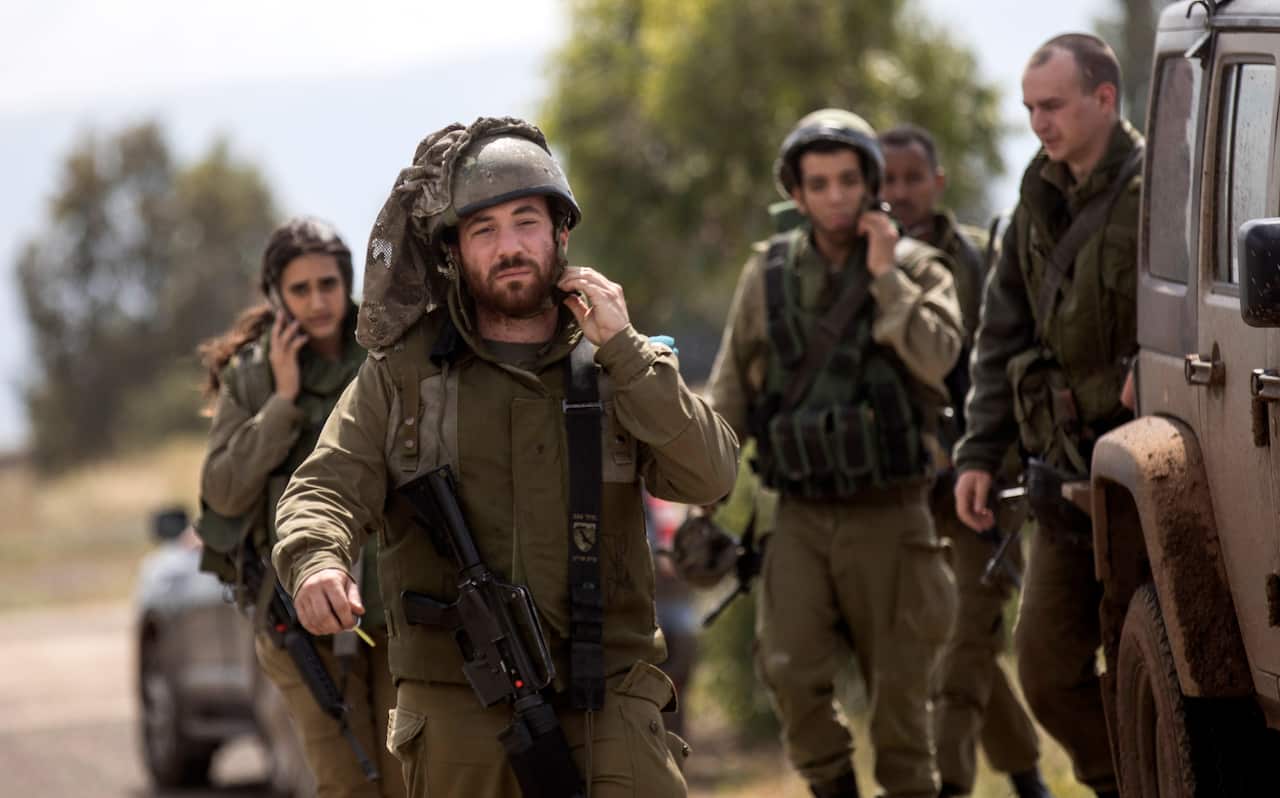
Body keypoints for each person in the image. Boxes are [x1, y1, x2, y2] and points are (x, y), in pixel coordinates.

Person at [270, 116, 738, 798]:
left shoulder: (620, 361)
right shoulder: (404, 375)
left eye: (526, 222)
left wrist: (627, 352)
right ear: (454, 251)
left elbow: (712, 472)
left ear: (561, 233)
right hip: (460, 710)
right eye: (483, 230)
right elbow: (325, 488)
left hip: (609, 695)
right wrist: (317, 562)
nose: (509, 247)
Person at [706, 107, 963, 798]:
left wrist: (885, 277)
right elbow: (729, 392)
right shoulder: (767, 276)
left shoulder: (917, 268)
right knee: (788, 670)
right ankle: (832, 786)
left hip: (892, 513)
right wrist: (704, 504)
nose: (834, 197)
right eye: (817, 184)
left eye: (848, 180)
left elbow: (939, 356)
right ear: (797, 193)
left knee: (903, 700)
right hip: (800, 514)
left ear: (869, 182)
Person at [953, 34, 1143, 798]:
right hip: (1064, 482)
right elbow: (1000, 338)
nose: (1038, 123)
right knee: (1045, 671)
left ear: (1105, 98)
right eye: (1029, 107)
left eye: (1052, 105)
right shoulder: (1031, 203)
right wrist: (977, 454)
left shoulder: (1166, 190)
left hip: (1149, 476)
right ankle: (1127, 781)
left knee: (1157, 660)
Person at [196, 216, 404, 798]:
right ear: (276, 296)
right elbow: (224, 491)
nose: (317, 301)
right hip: (297, 616)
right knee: (347, 780)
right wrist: (283, 403)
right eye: (300, 289)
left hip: (396, 606)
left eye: (328, 285)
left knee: (412, 773)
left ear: (349, 284)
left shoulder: (388, 351)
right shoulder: (256, 374)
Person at [880, 125, 1050, 798]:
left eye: (911, 178)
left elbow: (1012, 357)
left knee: (965, 642)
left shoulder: (984, 259)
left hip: (984, 480)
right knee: (941, 644)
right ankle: (1029, 775)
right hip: (900, 489)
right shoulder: (856, 266)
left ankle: (948, 785)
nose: (899, 193)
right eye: (887, 181)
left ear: (937, 182)